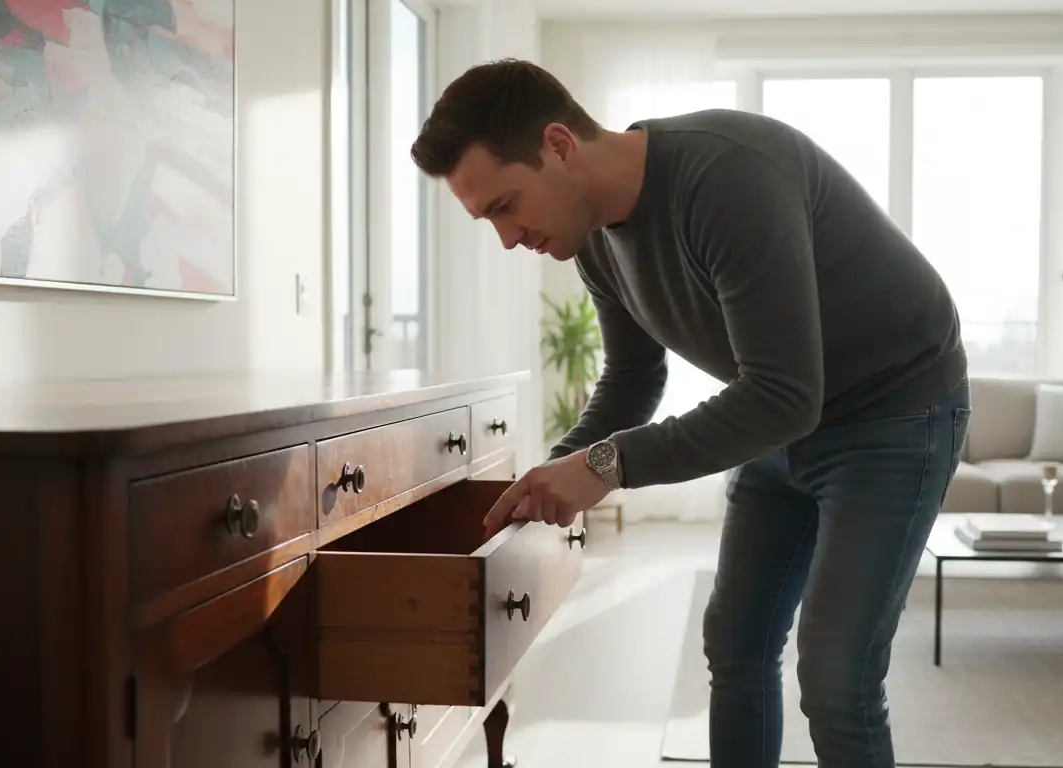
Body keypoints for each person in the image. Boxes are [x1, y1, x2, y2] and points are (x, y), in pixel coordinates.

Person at [411, 58, 970, 768]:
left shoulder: (729, 179)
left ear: (559, 146)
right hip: (781, 415)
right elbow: (633, 377)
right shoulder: (596, 242)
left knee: (836, 676)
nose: (509, 237)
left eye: (504, 206)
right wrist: (562, 465)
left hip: (895, 412)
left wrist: (607, 465)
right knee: (734, 643)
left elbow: (784, 394)